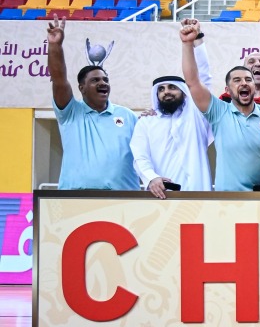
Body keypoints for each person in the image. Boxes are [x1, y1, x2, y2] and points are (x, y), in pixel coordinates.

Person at [46, 18, 139, 191]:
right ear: (82, 88)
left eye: (105, 79)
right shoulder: (70, 112)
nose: (103, 83)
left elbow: (146, 152)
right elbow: (59, 80)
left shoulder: (128, 116)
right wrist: (55, 46)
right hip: (76, 200)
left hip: (124, 202)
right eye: (95, 80)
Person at [179, 21, 260, 192]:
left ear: (254, 85)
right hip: (228, 200)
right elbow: (193, 81)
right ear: (228, 90)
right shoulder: (218, 112)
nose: (243, 83)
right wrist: (187, 44)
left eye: (248, 80)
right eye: (237, 80)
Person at [129, 74, 214, 198]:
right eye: (161, 89)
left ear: (184, 92)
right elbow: (140, 156)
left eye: (172, 87)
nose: (166, 92)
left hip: (199, 193)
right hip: (163, 194)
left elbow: (203, 77)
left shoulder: (198, 118)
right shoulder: (146, 122)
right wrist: (151, 178)